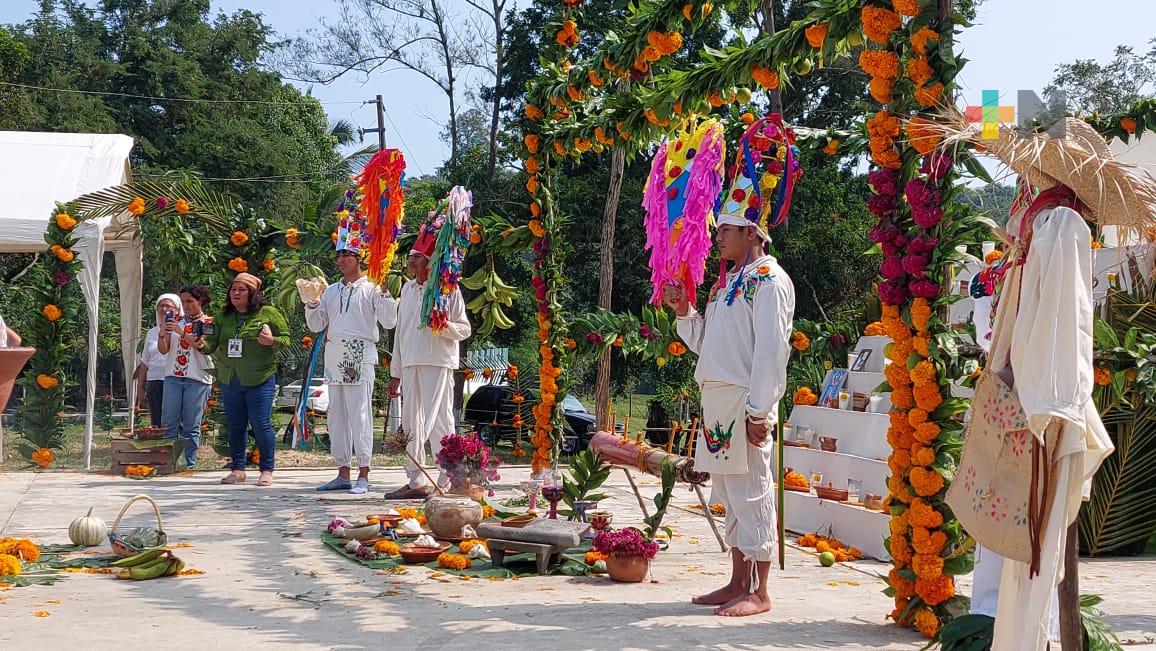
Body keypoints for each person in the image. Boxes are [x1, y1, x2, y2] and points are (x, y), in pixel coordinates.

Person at [666, 116, 798, 617]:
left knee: (754, 490)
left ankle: (761, 592)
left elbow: (771, 351)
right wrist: (685, 311)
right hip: (720, 401)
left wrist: (762, 411)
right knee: (730, 494)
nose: (717, 238)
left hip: (746, 403)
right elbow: (709, 344)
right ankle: (737, 579)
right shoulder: (731, 283)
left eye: (724, 230)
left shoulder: (769, 280)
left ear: (750, 232)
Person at [302, 224, 398, 495]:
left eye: (348, 254)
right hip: (334, 352)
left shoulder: (371, 288)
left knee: (360, 413)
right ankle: (342, 471)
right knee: (337, 415)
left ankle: (364, 473)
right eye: (339, 254)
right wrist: (311, 302)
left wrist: (386, 291)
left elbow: (390, 320)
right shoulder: (331, 291)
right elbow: (318, 324)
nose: (342, 259)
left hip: (361, 352)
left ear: (360, 258)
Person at [384, 222, 472, 499]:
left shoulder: (447, 290)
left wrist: (442, 325)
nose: (411, 261)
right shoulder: (408, 290)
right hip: (410, 363)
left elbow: (464, 329)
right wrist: (395, 372)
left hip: (437, 361)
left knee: (439, 421)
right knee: (411, 422)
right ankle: (416, 481)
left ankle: (447, 478)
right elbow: (400, 333)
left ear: (430, 261)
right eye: (410, 256)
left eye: (417, 257)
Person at [199, 273, 288, 486]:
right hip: (231, 378)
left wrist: (271, 340)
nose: (236, 293)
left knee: (261, 424)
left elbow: (285, 340)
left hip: (260, 378)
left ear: (253, 293)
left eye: (242, 290)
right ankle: (238, 469)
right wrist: (199, 344)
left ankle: (266, 470)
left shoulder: (269, 313)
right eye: (233, 290)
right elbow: (211, 344)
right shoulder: (223, 317)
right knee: (235, 425)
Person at [158, 285, 215, 469]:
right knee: (168, 424)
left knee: (191, 425)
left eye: (190, 301)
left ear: (200, 301)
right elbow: (164, 350)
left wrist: (180, 331)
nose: (186, 305)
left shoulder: (208, 322)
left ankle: (188, 465)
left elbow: (200, 346)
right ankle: (169, 463)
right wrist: (162, 334)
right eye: (183, 301)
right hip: (173, 377)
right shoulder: (177, 322)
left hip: (198, 378)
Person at [137, 294, 182, 427]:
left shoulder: (182, 330)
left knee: (175, 420)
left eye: (168, 306)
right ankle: (159, 447)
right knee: (157, 421)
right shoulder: (152, 332)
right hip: (154, 381)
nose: (164, 309)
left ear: (178, 309)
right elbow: (145, 360)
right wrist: (140, 386)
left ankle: (176, 447)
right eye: (161, 306)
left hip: (174, 380)